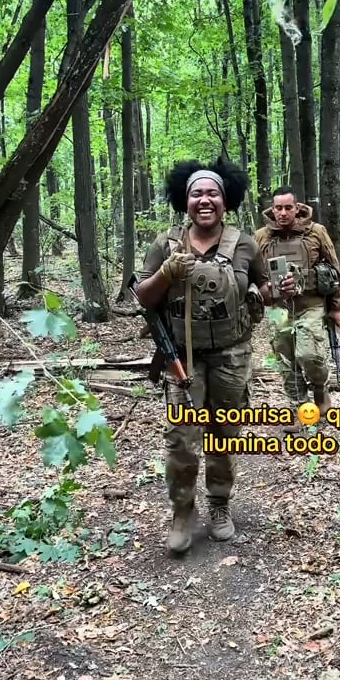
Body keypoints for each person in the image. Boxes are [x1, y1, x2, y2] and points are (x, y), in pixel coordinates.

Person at [135, 158, 270, 555]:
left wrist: (276, 290)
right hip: (182, 359)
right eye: (197, 193)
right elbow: (142, 296)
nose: (205, 200)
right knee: (181, 439)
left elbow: (265, 289)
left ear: (225, 201)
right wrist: (167, 274)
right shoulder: (165, 243)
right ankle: (182, 511)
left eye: (213, 193)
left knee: (225, 434)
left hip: (231, 355)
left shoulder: (244, 243)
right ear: (185, 200)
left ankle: (220, 504)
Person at [255, 188, 340, 425]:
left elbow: (334, 269)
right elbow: (253, 273)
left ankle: (321, 390)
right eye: (278, 208)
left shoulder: (316, 232)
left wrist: (337, 307)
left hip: (311, 304)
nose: (282, 213)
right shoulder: (261, 236)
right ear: (272, 209)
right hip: (279, 308)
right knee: (285, 358)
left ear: (297, 208)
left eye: (288, 207)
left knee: (309, 354)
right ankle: (299, 406)